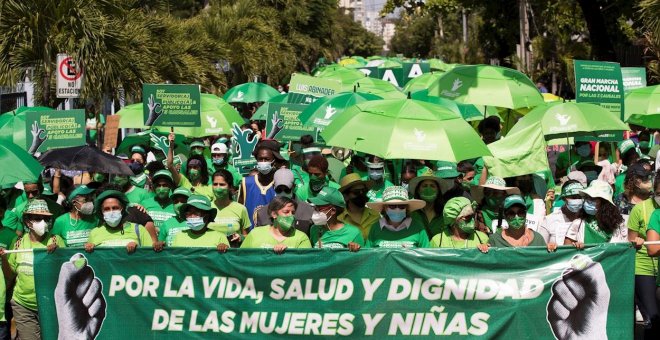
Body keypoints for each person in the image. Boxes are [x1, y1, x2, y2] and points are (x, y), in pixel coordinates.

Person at [0, 199, 65, 339]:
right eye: (37, 218)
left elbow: (68, 270)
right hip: (23, 305)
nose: (42, 222)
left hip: (51, 305)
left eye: (45, 218)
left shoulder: (56, 241)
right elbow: (10, 274)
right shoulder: (17, 243)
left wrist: (58, 254)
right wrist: (4, 258)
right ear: (28, 221)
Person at [632, 172, 660, 337]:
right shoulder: (645, 211)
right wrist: (638, 241)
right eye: (659, 193)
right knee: (653, 320)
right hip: (644, 268)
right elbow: (632, 242)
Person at [85, 190, 153, 253]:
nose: (111, 212)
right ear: (101, 212)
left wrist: (137, 249)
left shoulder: (139, 230)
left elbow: (149, 255)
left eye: (115, 208)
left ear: (122, 209)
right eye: (106, 209)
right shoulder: (95, 233)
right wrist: (89, 248)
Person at [564, 180, 628, 246]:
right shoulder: (578, 223)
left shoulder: (619, 225)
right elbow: (566, 250)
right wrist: (575, 246)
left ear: (604, 202)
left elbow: (624, 249)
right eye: (587, 197)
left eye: (593, 199)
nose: (588, 201)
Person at [237, 140, 282, 229]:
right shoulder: (246, 183)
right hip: (250, 237)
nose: (263, 162)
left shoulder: (280, 185)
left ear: (274, 161)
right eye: (260, 159)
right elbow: (239, 213)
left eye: (267, 159)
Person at [241, 196, 311, 253]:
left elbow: (305, 264)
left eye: (293, 212)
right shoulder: (255, 234)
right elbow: (241, 257)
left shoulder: (301, 238)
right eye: (286, 212)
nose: (291, 216)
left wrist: (288, 253)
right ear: (274, 214)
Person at [365, 186, 429, 248]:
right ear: (384, 208)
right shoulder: (375, 228)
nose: (397, 209)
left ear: (407, 208)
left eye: (402, 206)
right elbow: (368, 256)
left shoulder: (418, 227)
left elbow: (426, 255)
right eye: (392, 206)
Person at [255, 169, 315, 236]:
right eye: (279, 190)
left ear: (293, 187)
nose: (283, 193)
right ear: (273, 187)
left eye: (287, 190)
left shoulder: (308, 210)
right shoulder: (263, 213)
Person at [489, 195, 555, 250]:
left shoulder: (538, 239)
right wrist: (483, 248)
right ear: (505, 216)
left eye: (520, 212)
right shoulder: (495, 240)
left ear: (526, 214)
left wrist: (551, 250)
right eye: (511, 213)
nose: (516, 216)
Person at [208, 170, 250, 246]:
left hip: (233, 255)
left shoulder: (241, 209)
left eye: (222, 184)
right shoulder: (206, 208)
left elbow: (246, 236)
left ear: (230, 187)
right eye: (215, 184)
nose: (218, 188)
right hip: (211, 255)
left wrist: (240, 238)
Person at [538, 180, 584, 245]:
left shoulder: (587, 220)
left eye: (580, 197)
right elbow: (540, 247)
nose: (577, 200)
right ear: (563, 198)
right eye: (573, 197)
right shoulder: (549, 220)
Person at [337, 173, 380, 240]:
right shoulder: (339, 219)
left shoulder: (375, 216)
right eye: (356, 192)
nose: (361, 194)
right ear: (345, 196)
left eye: (363, 191)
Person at [408, 169, 444, 238]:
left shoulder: (444, 213)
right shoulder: (411, 213)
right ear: (418, 190)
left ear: (438, 191)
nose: (428, 189)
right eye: (424, 186)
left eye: (432, 186)